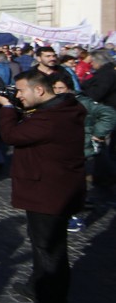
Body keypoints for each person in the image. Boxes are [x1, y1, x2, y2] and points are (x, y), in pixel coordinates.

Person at [0, 70, 86, 303]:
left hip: (48, 193)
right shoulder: (62, 108)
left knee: (49, 251)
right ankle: (40, 290)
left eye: (22, 91)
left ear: (40, 91)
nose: (18, 95)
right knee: (45, 247)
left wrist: (8, 108)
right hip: (54, 190)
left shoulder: (50, 119)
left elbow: (12, 136)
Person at [48, 74, 116, 232]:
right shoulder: (52, 103)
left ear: (69, 88)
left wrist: (98, 134)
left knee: (72, 185)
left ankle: (74, 217)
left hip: (79, 150)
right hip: (58, 150)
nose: (58, 91)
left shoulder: (82, 102)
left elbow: (109, 114)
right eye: (55, 88)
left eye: (61, 88)